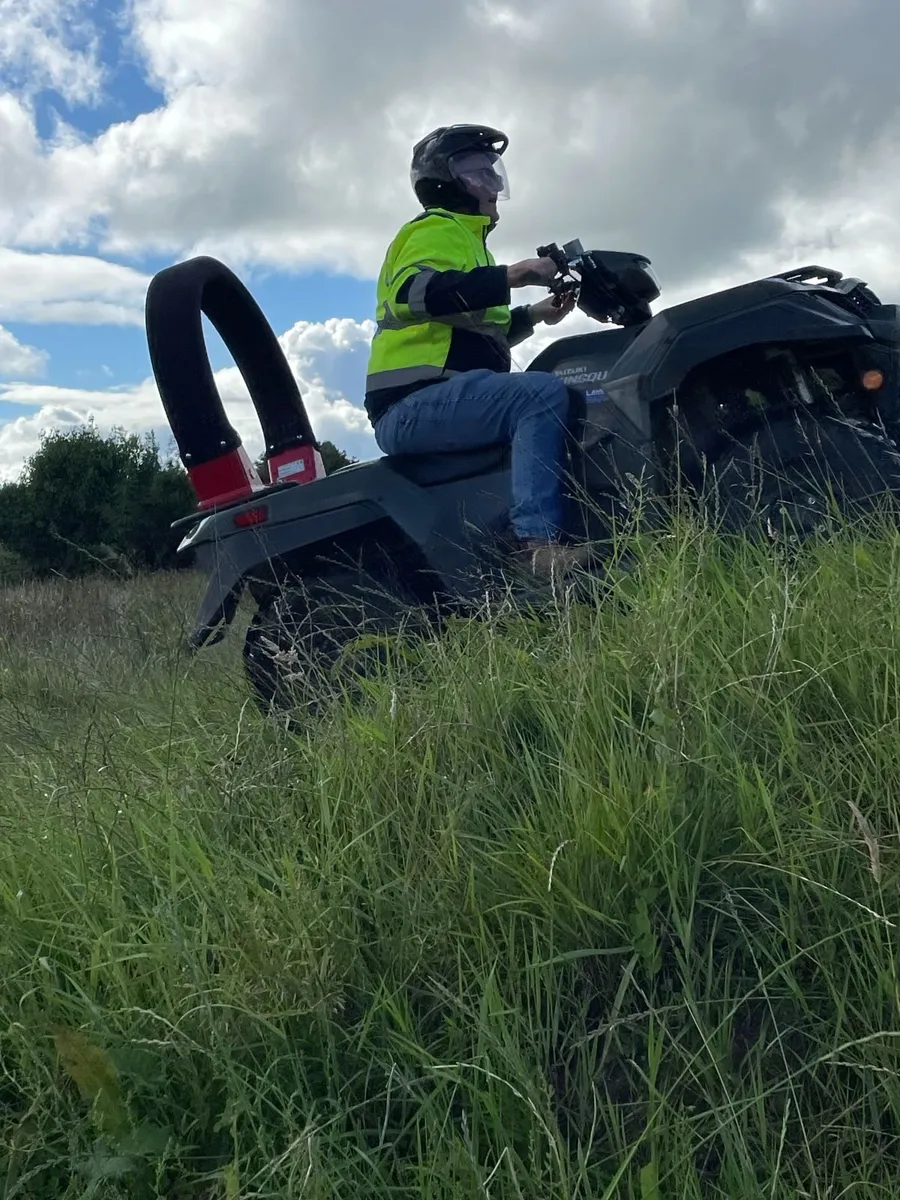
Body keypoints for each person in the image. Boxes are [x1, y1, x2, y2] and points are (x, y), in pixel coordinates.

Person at [364, 123, 591, 577]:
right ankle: (535, 546)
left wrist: (537, 314)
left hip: (440, 397)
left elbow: (479, 335)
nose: (493, 182)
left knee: (552, 382)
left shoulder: (472, 247)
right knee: (538, 394)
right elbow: (413, 294)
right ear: (446, 181)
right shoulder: (437, 228)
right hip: (410, 404)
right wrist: (511, 276)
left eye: (493, 171)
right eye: (477, 171)